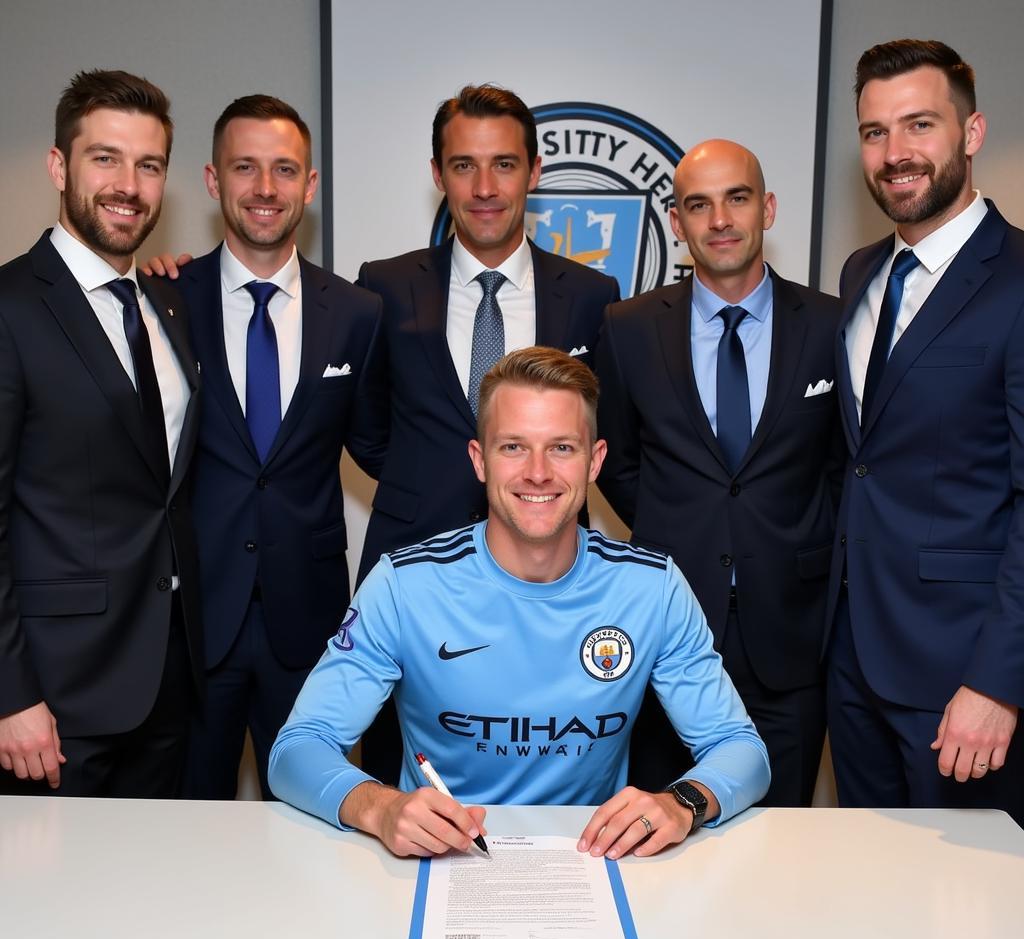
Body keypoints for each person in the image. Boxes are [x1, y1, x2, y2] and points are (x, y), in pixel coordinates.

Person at [270, 347, 769, 859]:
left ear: (595, 461)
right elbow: (297, 749)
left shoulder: (652, 588)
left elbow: (741, 749)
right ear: (478, 460)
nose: (537, 473)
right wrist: (380, 808)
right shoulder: (405, 585)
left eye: (561, 448)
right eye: (512, 447)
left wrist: (683, 802)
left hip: (590, 864)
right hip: (438, 863)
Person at [354, 84, 620, 783]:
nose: (483, 187)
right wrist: (430, 481)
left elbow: (604, 430)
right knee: (394, 778)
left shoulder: (593, 296)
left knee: (548, 759)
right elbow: (366, 426)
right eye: (463, 165)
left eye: (503, 164)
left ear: (534, 172)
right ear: (438, 175)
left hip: (552, 572)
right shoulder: (381, 287)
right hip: (414, 565)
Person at [146, 96, 382, 799]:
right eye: (245, 167)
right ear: (215, 180)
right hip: (191, 623)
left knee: (316, 820)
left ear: (310, 186)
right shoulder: (163, 297)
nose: (266, 188)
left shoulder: (358, 312)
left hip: (308, 624)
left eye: (285, 170)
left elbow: (381, 445)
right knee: (189, 829)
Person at [597, 140, 841, 806]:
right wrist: (677, 526)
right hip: (671, 631)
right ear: (676, 224)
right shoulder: (627, 327)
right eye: (698, 205)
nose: (720, 220)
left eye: (736, 198)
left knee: (782, 837)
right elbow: (615, 461)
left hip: (792, 635)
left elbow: (843, 466)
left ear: (767, 208)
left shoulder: (830, 323)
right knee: (657, 835)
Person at [826, 39, 1024, 821]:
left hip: (962, 680)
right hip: (852, 660)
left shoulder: (1017, 280)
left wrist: (999, 682)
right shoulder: (860, 272)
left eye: (919, 126)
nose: (896, 154)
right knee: (867, 896)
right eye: (875, 132)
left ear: (971, 133)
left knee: (963, 918)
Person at [0, 70, 202, 797]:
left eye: (148, 165)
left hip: (169, 684)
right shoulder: (11, 307)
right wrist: (10, 695)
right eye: (105, 158)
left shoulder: (166, 307)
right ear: (60, 166)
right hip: (54, 701)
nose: (129, 184)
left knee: (153, 899)